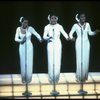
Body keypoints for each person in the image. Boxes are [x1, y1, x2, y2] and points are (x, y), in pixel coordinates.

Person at [69, 13, 99, 82]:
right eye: (82, 17)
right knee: (79, 60)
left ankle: (84, 77)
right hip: (78, 43)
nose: (83, 18)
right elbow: (70, 33)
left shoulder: (87, 24)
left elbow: (90, 33)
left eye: (84, 17)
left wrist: (94, 32)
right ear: (79, 18)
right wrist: (71, 37)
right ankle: (79, 77)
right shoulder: (75, 25)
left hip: (86, 44)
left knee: (85, 60)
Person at [15, 16, 42, 83]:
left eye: (27, 23)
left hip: (29, 46)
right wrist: (21, 40)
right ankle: (24, 79)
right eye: (24, 22)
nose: (26, 24)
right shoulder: (18, 29)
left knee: (29, 62)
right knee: (23, 62)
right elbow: (15, 39)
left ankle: (29, 79)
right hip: (22, 46)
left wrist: (40, 38)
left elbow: (36, 34)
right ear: (21, 22)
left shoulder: (30, 28)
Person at [43, 14, 69, 83]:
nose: (53, 20)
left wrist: (68, 38)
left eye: (55, 18)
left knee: (57, 61)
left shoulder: (59, 26)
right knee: (51, 61)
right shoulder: (47, 27)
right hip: (50, 44)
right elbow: (44, 36)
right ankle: (51, 79)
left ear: (57, 19)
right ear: (50, 19)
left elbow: (64, 33)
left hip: (58, 44)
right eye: (52, 18)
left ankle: (56, 78)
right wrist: (49, 37)